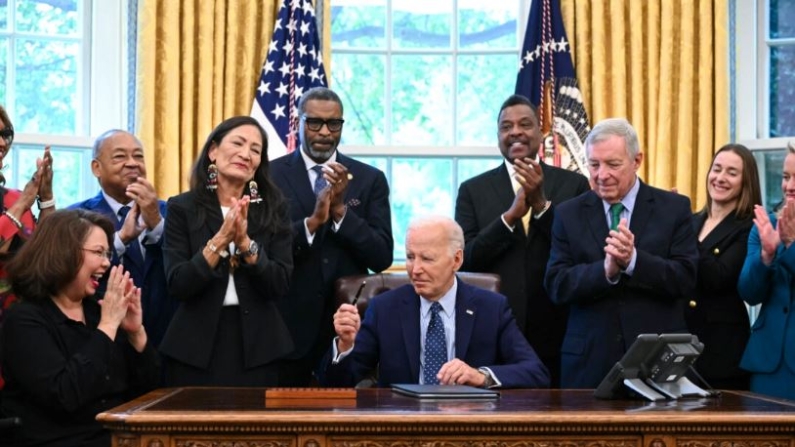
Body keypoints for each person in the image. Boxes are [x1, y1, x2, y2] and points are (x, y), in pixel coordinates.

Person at [544, 118, 698, 389]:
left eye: (613, 164)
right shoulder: (568, 213)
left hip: (657, 363)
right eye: (594, 164)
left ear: (637, 160)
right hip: (589, 365)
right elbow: (556, 284)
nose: (601, 175)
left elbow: (685, 279)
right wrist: (604, 272)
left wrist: (634, 261)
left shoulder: (673, 208)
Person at [321, 216, 549, 389]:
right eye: (410, 257)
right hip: (402, 428)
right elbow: (336, 384)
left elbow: (536, 372)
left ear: (456, 259)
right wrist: (345, 346)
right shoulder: (384, 308)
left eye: (427, 259)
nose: (415, 269)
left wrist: (481, 376)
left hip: (469, 426)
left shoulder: (491, 308)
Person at [455, 94, 589, 387]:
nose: (515, 131)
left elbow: (582, 249)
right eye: (506, 127)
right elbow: (468, 258)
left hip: (559, 325)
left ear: (541, 133)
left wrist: (541, 205)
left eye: (525, 124)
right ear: (499, 136)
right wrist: (509, 218)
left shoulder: (574, 184)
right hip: (494, 327)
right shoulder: (472, 190)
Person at [0, 209, 159, 447]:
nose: (106, 263)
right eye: (98, 252)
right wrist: (107, 326)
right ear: (62, 254)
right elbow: (64, 395)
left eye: (107, 254)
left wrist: (136, 333)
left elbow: (149, 393)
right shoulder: (24, 320)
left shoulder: (99, 311)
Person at [270, 87, 393, 386]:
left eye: (333, 124)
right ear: (298, 124)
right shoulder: (269, 176)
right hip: (286, 327)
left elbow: (381, 256)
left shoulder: (368, 179)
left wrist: (340, 211)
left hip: (347, 326)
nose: (324, 132)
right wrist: (313, 224)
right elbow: (266, 250)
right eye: (315, 123)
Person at [160, 116, 293, 386]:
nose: (246, 154)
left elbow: (279, 283)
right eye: (238, 143)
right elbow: (178, 283)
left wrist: (246, 244)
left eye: (255, 150)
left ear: (258, 165)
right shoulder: (182, 208)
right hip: (195, 346)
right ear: (213, 152)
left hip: (260, 345)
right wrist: (221, 239)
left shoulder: (274, 209)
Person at [68, 129, 176, 349]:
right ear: (96, 167)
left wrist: (155, 222)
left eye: (138, 156)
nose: (132, 163)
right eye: (120, 157)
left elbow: (181, 269)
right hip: (102, 338)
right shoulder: (75, 217)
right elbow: (71, 275)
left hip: (164, 338)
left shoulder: (172, 212)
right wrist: (120, 239)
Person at [686, 144, 761, 391]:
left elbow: (718, 277)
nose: (720, 178)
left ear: (745, 182)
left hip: (721, 354)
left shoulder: (749, 227)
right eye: (716, 169)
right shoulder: (693, 220)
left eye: (731, 172)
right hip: (682, 347)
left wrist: (681, 229)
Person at [0, 104, 54, 390]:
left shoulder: (12, 198)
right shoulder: (18, 201)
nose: (1, 142)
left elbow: (44, 253)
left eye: (5, 134)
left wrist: (45, 196)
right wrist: (24, 202)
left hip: (20, 327)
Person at [737, 141, 795, 400]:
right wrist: (767, 256)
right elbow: (749, 292)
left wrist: (791, 245)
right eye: (785, 177)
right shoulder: (765, 226)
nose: (789, 186)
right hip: (767, 365)